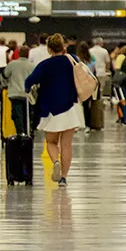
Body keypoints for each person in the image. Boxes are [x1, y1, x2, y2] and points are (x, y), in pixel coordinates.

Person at [24, 34, 83, 187]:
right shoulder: (72, 60)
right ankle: (63, 178)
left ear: (49, 49)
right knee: (66, 145)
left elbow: (29, 81)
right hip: (69, 107)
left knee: (51, 142)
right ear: (63, 47)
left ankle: (56, 161)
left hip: (50, 109)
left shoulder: (45, 65)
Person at [4, 45, 36, 135]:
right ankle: (27, 132)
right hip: (27, 95)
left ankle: (20, 133)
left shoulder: (12, 64)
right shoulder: (32, 65)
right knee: (27, 115)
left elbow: (5, 75)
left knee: (17, 115)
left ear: (19, 53)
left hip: (15, 94)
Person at [78, 43, 96, 131]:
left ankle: (79, 123)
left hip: (80, 83)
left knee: (78, 105)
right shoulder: (92, 59)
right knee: (87, 105)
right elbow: (93, 71)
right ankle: (87, 124)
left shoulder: (77, 59)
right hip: (89, 83)